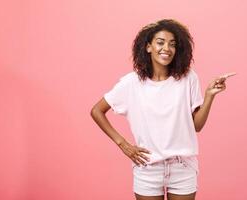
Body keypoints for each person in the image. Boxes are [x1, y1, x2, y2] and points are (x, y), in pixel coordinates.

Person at [90, 19, 235, 200]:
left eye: (172, 44)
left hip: (182, 167)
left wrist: (209, 96)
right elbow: (97, 111)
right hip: (148, 168)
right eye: (160, 42)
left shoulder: (188, 78)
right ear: (148, 47)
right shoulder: (131, 83)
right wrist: (123, 145)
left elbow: (196, 126)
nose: (166, 48)